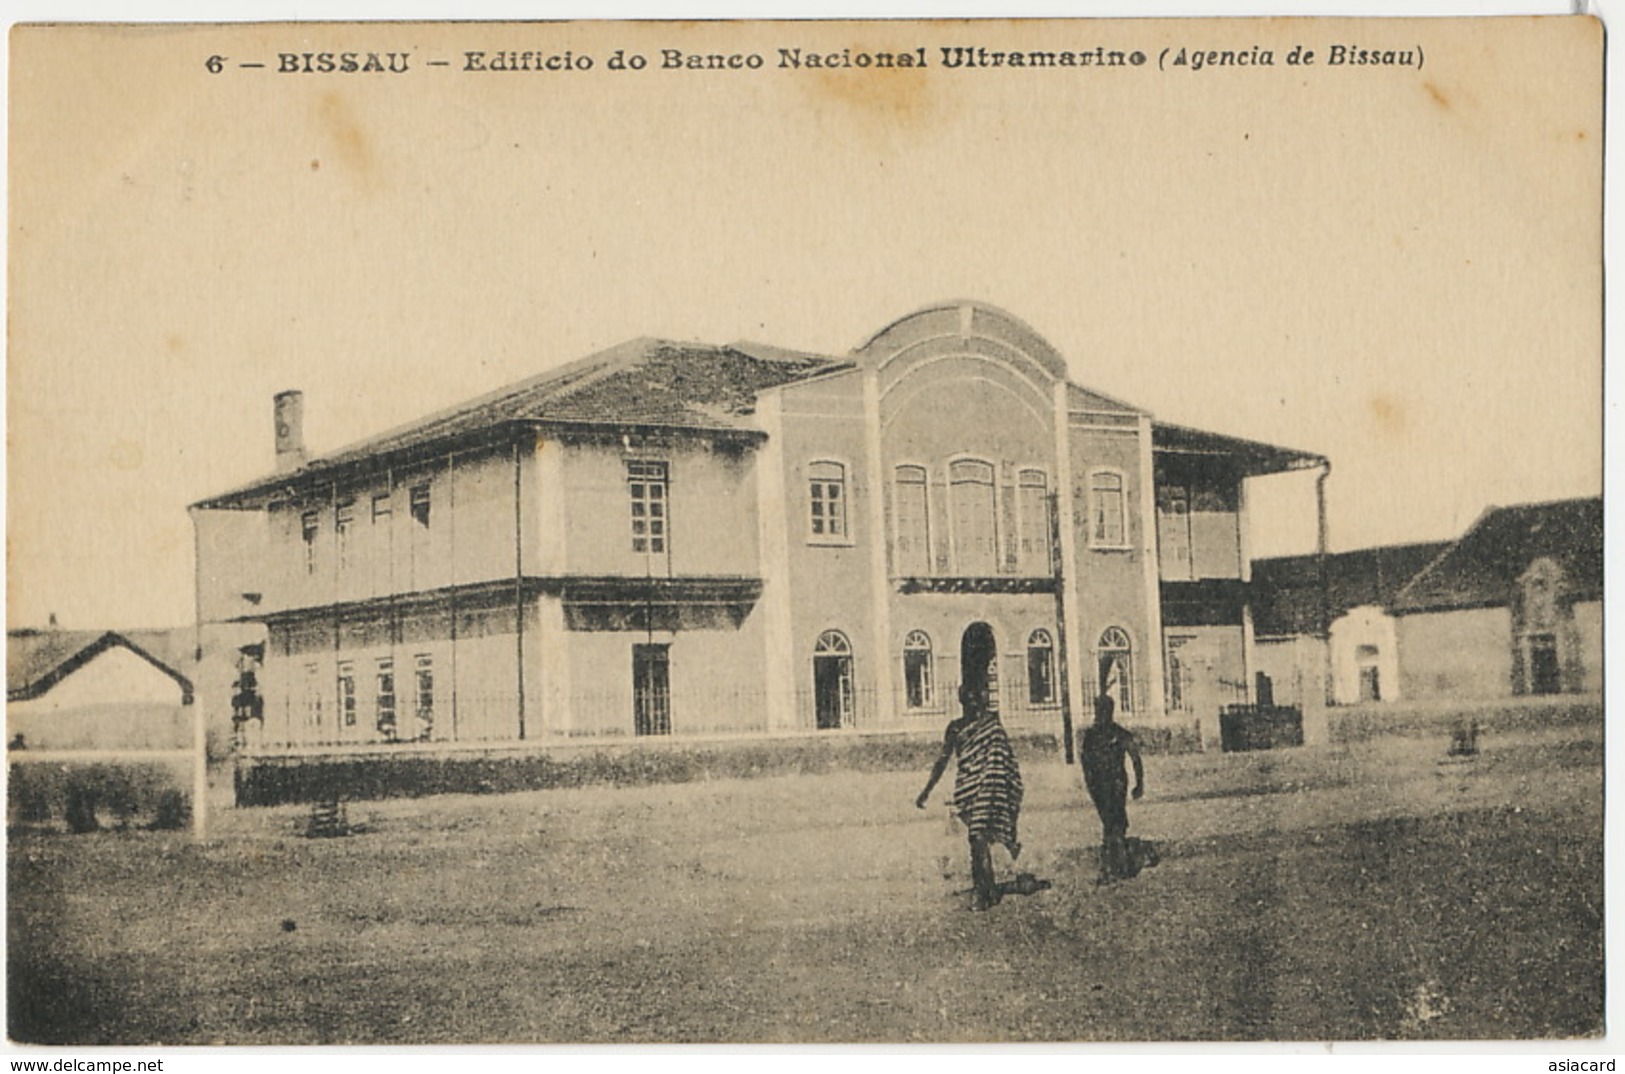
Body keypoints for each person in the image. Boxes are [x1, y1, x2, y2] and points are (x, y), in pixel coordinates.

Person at [916, 681, 1024, 910]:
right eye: (969, 698)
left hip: (990, 787)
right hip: (967, 790)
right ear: (962, 701)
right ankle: (989, 887)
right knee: (978, 839)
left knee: (977, 837)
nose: (974, 703)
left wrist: (1005, 783)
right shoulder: (955, 727)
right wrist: (926, 790)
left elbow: (1005, 757)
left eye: (977, 698)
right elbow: (943, 760)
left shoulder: (992, 725)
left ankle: (982, 893)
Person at [1080, 691, 1148, 884]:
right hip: (1105, 785)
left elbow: (1135, 758)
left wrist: (1139, 783)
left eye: (1103, 710)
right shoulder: (1095, 735)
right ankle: (1118, 865)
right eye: (1099, 710)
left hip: (1112, 784)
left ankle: (1112, 868)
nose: (1100, 714)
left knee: (1112, 823)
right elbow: (1086, 762)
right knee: (1113, 823)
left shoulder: (1113, 733)